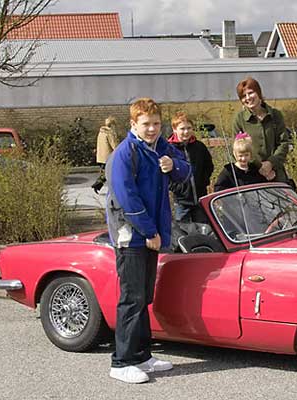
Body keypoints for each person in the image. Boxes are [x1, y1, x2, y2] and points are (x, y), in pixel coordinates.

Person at [106, 98, 191, 384]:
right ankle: (121, 361)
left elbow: (185, 171)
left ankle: (142, 355)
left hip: (151, 233)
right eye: (146, 124)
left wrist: (173, 164)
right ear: (133, 124)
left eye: (156, 123)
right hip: (131, 235)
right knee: (132, 298)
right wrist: (149, 232)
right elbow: (127, 200)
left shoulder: (159, 147)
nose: (152, 128)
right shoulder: (124, 153)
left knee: (144, 296)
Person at [232, 77, 291, 183]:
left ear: (259, 93)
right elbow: (237, 149)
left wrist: (270, 163)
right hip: (252, 176)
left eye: (250, 93)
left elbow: (283, 143)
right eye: (243, 96)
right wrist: (259, 166)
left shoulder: (275, 115)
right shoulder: (239, 119)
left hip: (276, 174)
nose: (248, 98)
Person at [167, 111, 214, 223]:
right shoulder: (169, 150)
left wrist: (203, 182)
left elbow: (208, 166)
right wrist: (178, 188)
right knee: (184, 232)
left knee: (204, 229)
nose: (186, 132)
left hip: (200, 198)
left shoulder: (199, 147)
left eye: (189, 128)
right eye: (182, 129)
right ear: (174, 129)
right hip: (182, 201)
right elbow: (165, 174)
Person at [91, 116, 119, 194]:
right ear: (112, 124)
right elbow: (114, 145)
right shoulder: (109, 133)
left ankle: (98, 185)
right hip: (108, 157)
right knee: (110, 173)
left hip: (100, 157)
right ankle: (97, 185)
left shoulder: (101, 132)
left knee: (105, 173)